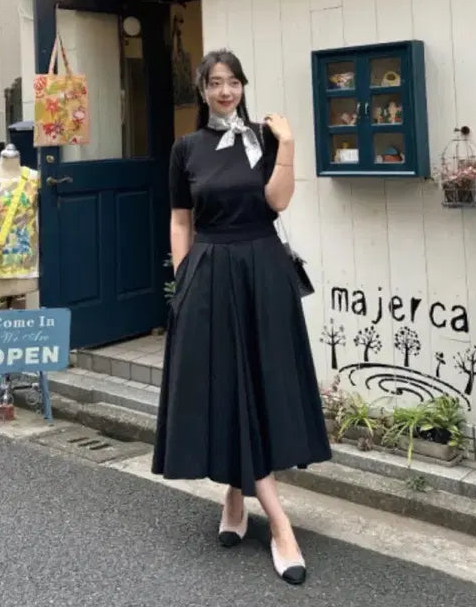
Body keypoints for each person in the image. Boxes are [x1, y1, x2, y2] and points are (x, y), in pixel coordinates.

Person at [151, 49, 331, 585]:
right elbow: (180, 219)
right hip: (209, 271)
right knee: (226, 384)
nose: (225, 91)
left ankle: (236, 498)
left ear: (243, 86)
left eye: (232, 82)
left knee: (258, 383)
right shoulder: (186, 149)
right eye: (214, 83)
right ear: (202, 91)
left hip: (262, 271)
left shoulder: (264, 139)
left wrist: (289, 144)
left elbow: (278, 202)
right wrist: (184, 277)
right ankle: (280, 525)